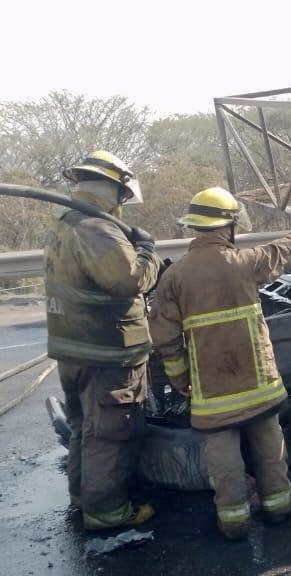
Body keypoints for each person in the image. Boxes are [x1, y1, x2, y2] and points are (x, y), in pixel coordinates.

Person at [148, 186, 291, 540]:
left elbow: (164, 338)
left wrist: (180, 378)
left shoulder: (175, 277)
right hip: (259, 384)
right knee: (269, 445)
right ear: (227, 227)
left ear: (196, 227)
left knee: (223, 457)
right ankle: (280, 508)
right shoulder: (246, 262)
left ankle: (233, 522)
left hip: (213, 391)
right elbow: (280, 252)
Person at [44, 150, 160, 530]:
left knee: (84, 429)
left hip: (74, 350)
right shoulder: (98, 229)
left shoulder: (65, 222)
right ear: (113, 188)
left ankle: (83, 498)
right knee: (110, 435)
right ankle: (108, 513)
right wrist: (147, 251)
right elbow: (128, 280)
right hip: (107, 352)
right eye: (122, 196)